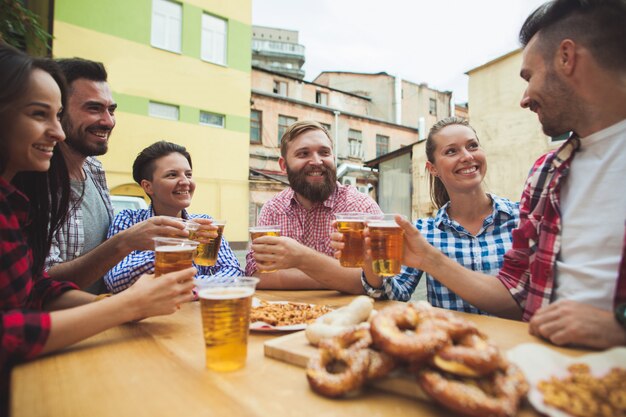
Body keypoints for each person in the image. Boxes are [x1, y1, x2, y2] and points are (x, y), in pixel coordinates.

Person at [392, 0, 626, 349]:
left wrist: (618, 326)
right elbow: (517, 293)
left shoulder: (514, 209)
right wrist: (426, 257)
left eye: (529, 77)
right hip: (548, 376)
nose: (525, 98)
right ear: (434, 167)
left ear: (566, 58)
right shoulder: (547, 174)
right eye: (450, 151)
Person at [0, 43, 195, 417]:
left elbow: (32, 287)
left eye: (111, 109)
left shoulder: (88, 172)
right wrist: (125, 299)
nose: (55, 132)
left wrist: (121, 307)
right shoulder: (31, 181)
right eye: (40, 114)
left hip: (91, 335)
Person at [339, 117, 518, 314]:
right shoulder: (424, 231)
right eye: (451, 151)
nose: (467, 156)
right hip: (448, 341)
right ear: (432, 168)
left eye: (473, 146)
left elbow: (532, 300)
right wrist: (369, 263)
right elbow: (394, 296)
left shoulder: (521, 219)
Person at [45, 58, 188, 294]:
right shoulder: (37, 180)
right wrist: (125, 242)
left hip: (106, 319)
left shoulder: (93, 168)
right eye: (93, 108)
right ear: (57, 111)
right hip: (66, 326)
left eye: (111, 110)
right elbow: (44, 284)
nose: (108, 121)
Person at [246, 120, 382, 290]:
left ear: (333, 157)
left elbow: (379, 281)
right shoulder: (273, 209)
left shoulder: (361, 208)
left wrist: (302, 259)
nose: (317, 161)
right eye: (303, 154)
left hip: (348, 314)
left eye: (324, 152)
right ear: (283, 166)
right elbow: (256, 274)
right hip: (287, 314)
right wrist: (343, 277)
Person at [105, 141, 243, 293]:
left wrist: (190, 286)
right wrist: (176, 244)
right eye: (172, 175)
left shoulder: (204, 223)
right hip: (148, 315)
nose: (185, 182)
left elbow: (233, 273)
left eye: (188, 174)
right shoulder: (128, 220)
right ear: (147, 186)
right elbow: (115, 281)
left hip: (193, 313)